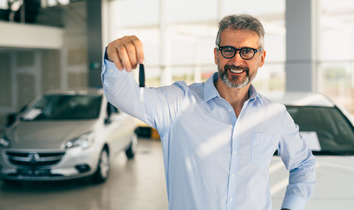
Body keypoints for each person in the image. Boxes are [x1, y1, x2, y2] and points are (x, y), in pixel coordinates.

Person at [101, 14, 316, 210]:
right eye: (228, 50)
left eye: (247, 51)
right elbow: (123, 96)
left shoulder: (274, 115)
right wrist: (113, 59)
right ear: (216, 55)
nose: (237, 60)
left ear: (261, 58)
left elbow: (304, 164)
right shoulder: (179, 103)